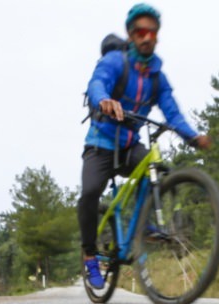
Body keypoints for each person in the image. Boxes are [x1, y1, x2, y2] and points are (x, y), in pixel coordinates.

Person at [78, 3, 212, 288]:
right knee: (90, 193)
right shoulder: (116, 62)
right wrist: (104, 100)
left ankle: (142, 225)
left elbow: (172, 113)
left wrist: (193, 137)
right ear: (131, 34)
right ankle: (90, 256)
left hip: (128, 145)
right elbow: (96, 83)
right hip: (100, 144)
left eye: (152, 31)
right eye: (141, 31)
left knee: (156, 168)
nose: (147, 36)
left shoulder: (157, 78)